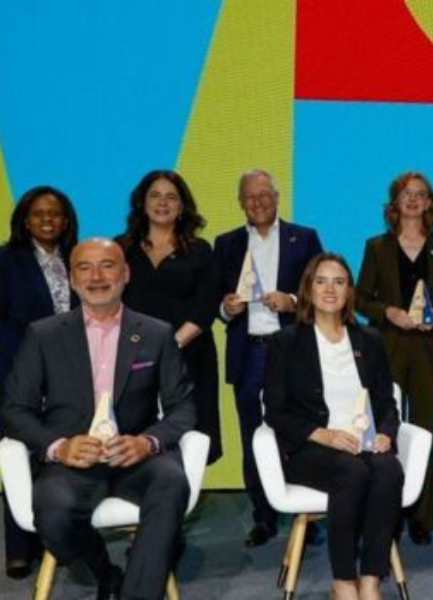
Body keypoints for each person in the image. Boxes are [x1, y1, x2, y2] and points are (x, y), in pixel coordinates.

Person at [2, 239, 196, 600]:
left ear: (125, 274)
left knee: (171, 481)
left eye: (107, 265)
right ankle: (105, 571)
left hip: (135, 457)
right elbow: (15, 408)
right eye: (84, 267)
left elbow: (182, 407)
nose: (96, 276)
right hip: (72, 461)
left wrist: (147, 442)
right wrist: (59, 448)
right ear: (72, 279)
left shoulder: (156, 332)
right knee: (54, 516)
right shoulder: (43, 334)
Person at [264, 253, 403, 600]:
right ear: (308, 289)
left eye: (339, 282)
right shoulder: (287, 342)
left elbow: (387, 402)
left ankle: (371, 578)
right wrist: (323, 435)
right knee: (351, 472)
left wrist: (385, 433)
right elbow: (276, 411)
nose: (330, 289)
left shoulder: (369, 340)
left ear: (349, 291)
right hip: (312, 448)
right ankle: (343, 581)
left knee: (388, 472)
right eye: (321, 281)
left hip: (364, 443)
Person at [213, 168, 324, 547]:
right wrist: (227, 309)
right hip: (249, 353)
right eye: (249, 196)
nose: (257, 201)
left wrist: (291, 301)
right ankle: (263, 515)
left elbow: (324, 290)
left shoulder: (304, 238)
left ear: (277, 198)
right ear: (240, 202)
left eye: (264, 194)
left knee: (300, 432)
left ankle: (305, 514)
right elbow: (215, 304)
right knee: (253, 436)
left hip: (292, 350)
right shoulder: (225, 244)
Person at [0, 185, 78, 579]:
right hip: (10, 378)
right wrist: (36, 356)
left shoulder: (79, 259)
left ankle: (57, 540)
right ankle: (18, 548)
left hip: (66, 381)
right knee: (18, 456)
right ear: (25, 220)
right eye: (39, 214)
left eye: (55, 214)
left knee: (56, 458)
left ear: (66, 220)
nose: (47, 220)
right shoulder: (1, 260)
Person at [355, 171, 433, 545]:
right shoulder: (376, 247)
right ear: (394, 204)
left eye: (420, 194)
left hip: (431, 352)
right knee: (386, 434)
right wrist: (389, 312)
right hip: (387, 350)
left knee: (428, 434)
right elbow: (361, 298)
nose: (413, 200)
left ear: (430, 203)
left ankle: (422, 516)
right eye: (406, 194)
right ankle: (388, 512)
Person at [117, 170, 222, 464]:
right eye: (155, 195)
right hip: (132, 357)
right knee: (135, 431)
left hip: (189, 354)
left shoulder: (200, 250)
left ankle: (183, 499)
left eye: (171, 197)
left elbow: (205, 306)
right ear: (142, 202)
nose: (162, 203)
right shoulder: (121, 248)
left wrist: (169, 348)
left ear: (181, 206)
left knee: (192, 432)